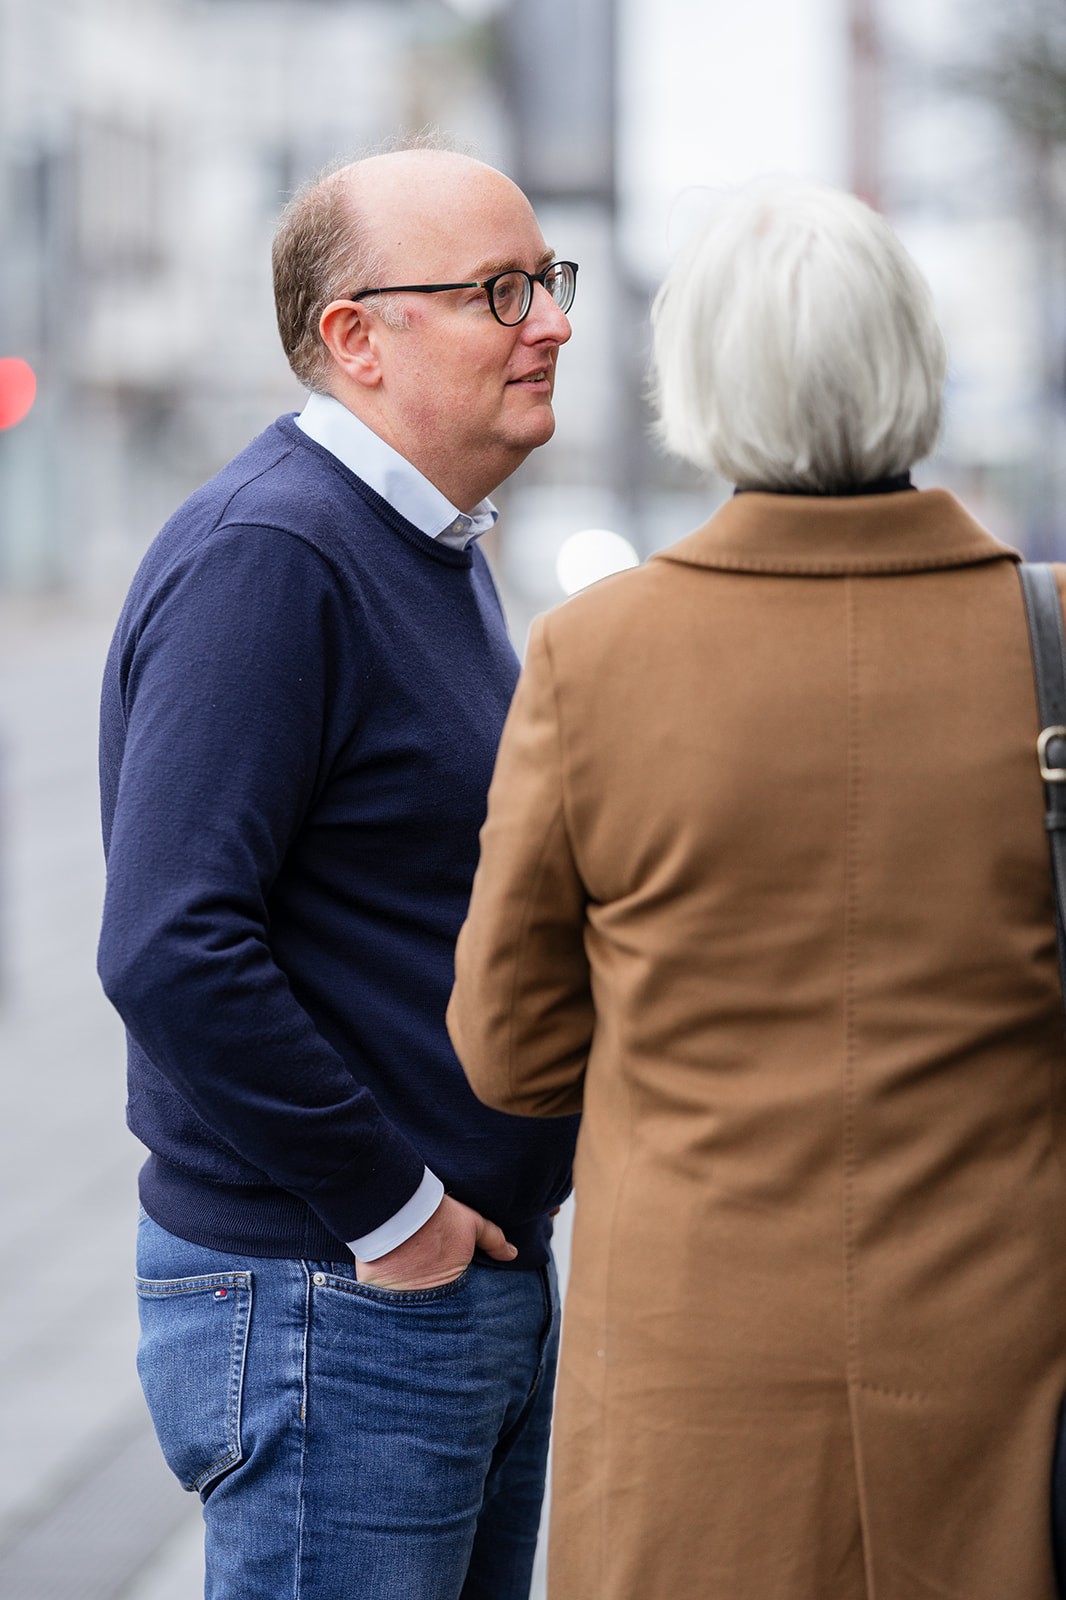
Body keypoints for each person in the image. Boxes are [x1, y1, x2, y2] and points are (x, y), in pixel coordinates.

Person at [447, 175, 1066, 1600]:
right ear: (915, 360)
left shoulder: (596, 656)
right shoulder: (1049, 637)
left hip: (694, 1362)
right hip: (1005, 1345)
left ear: (698, 384)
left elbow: (507, 1047)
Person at [97, 145, 580, 1600]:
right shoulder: (274, 554)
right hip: (342, 1298)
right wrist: (397, 1216)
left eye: (548, 280)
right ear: (356, 337)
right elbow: (171, 944)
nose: (552, 321)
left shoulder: (420, 543)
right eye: (499, 291)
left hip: (431, 1291)